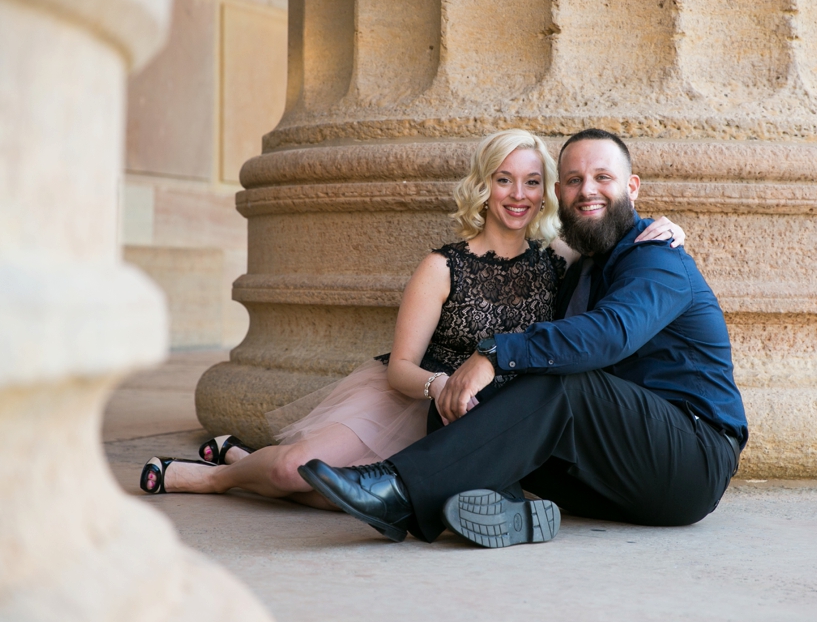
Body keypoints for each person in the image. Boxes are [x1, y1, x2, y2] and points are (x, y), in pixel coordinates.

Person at [138, 129, 685, 507]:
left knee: (358, 498)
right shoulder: (442, 266)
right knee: (294, 472)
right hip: (415, 399)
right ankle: (221, 477)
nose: (518, 195)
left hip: (494, 419)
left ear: (548, 193)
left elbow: (618, 243)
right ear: (483, 187)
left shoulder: (564, 261)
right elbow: (400, 366)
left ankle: (242, 456)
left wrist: (664, 227)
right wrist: (441, 387)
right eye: (503, 179)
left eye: (532, 182)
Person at [298, 128, 747, 547]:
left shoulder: (657, 259)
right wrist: (470, 376)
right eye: (574, 180)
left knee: (564, 384)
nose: (587, 190)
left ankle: (396, 488)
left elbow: (609, 335)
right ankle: (505, 507)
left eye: (603, 177)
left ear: (632, 189)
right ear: (559, 195)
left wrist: (494, 353)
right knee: (461, 395)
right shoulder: (582, 266)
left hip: (692, 461)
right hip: (617, 475)